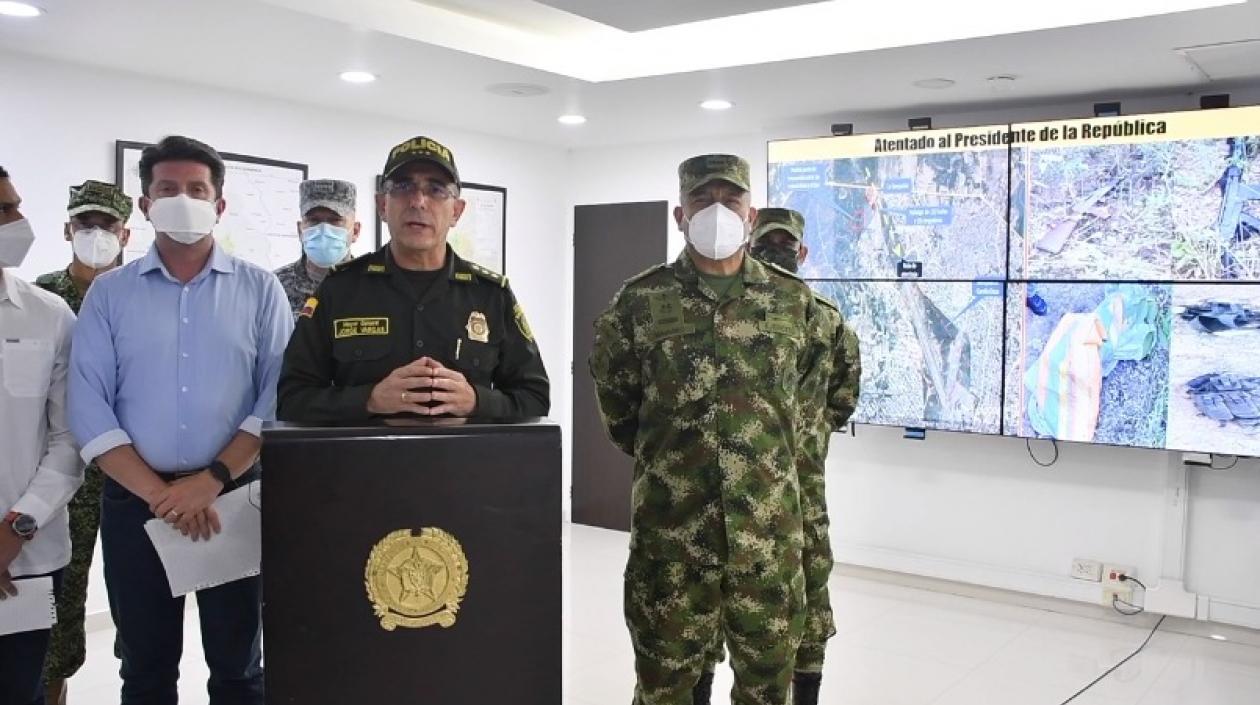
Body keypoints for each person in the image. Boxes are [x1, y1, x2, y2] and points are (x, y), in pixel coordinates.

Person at [589, 155, 827, 705]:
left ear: (751, 214)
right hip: (672, 543)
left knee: (766, 690)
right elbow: (622, 415)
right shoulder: (640, 302)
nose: (716, 210)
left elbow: (808, 413)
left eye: (731, 199)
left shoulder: (794, 302)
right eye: (702, 199)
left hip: (767, 543)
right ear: (679, 213)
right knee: (664, 689)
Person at [68, 136, 293, 705]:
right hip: (135, 504)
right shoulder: (109, 296)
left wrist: (210, 480)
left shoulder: (260, 290)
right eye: (167, 189)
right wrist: (161, 495)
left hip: (233, 497)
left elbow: (276, 397)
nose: (182, 199)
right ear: (144, 205)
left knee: (239, 666)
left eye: (197, 189)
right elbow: (88, 403)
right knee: (145, 667)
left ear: (219, 205)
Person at [696, 207, 862, 705]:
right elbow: (840, 404)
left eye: (782, 248)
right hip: (771, 488)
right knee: (750, 596)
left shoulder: (822, 319)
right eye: (770, 247)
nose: (777, 257)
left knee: (790, 596)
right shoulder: (825, 318)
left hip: (789, 491)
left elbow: (839, 401)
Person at [278, 136, 548, 422]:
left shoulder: (491, 296)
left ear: (456, 211)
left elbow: (535, 398)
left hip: (465, 464)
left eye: (436, 189)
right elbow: (292, 399)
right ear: (382, 205)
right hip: (362, 464)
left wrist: (477, 401)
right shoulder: (339, 290)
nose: (418, 201)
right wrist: (368, 400)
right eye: (404, 187)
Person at [35, 179, 133, 705]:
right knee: (57, 601)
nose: (95, 234)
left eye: (106, 226)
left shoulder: (143, 293)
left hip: (130, 468)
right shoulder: (41, 296)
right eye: (84, 224)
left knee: (139, 603)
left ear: (126, 232)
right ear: (66, 229)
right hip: (59, 469)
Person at [0, 165, 83, 705]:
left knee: (18, 691)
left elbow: (71, 438)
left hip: (25, 559)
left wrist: (17, 525)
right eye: (4, 211)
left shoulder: (48, 314)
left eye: (14, 206)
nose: (19, 221)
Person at [274, 179, 361, 318]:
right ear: (300, 231)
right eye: (313, 220)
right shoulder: (275, 287)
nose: (323, 229)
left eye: (335, 220)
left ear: (355, 231)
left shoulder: (373, 287)